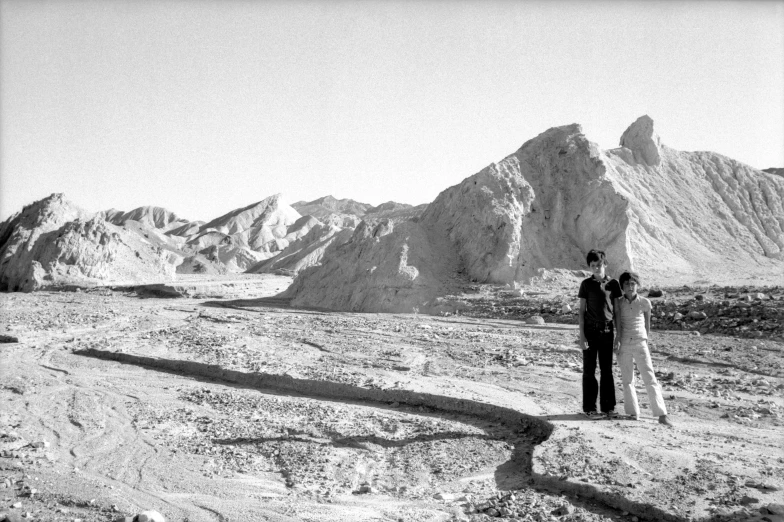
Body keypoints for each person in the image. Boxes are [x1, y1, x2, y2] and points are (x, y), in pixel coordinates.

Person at [614, 271, 673, 426]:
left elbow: (647, 325)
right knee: (627, 379)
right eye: (626, 284)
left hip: (640, 342)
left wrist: (645, 340)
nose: (630, 287)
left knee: (649, 377)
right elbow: (618, 324)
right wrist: (618, 340)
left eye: (633, 284)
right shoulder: (618, 303)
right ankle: (633, 412)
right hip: (624, 342)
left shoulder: (645, 302)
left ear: (637, 285)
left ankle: (661, 414)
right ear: (622, 286)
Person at [577, 249, 622, 418]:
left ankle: (608, 408)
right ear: (590, 267)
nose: (596, 268)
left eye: (599, 264)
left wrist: (618, 335)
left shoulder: (614, 284)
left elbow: (616, 310)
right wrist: (581, 336)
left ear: (605, 264)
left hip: (608, 330)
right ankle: (590, 408)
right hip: (590, 331)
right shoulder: (586, 284)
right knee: (589, 370)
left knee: (607, 370)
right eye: (593, 265)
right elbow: (581, 311)